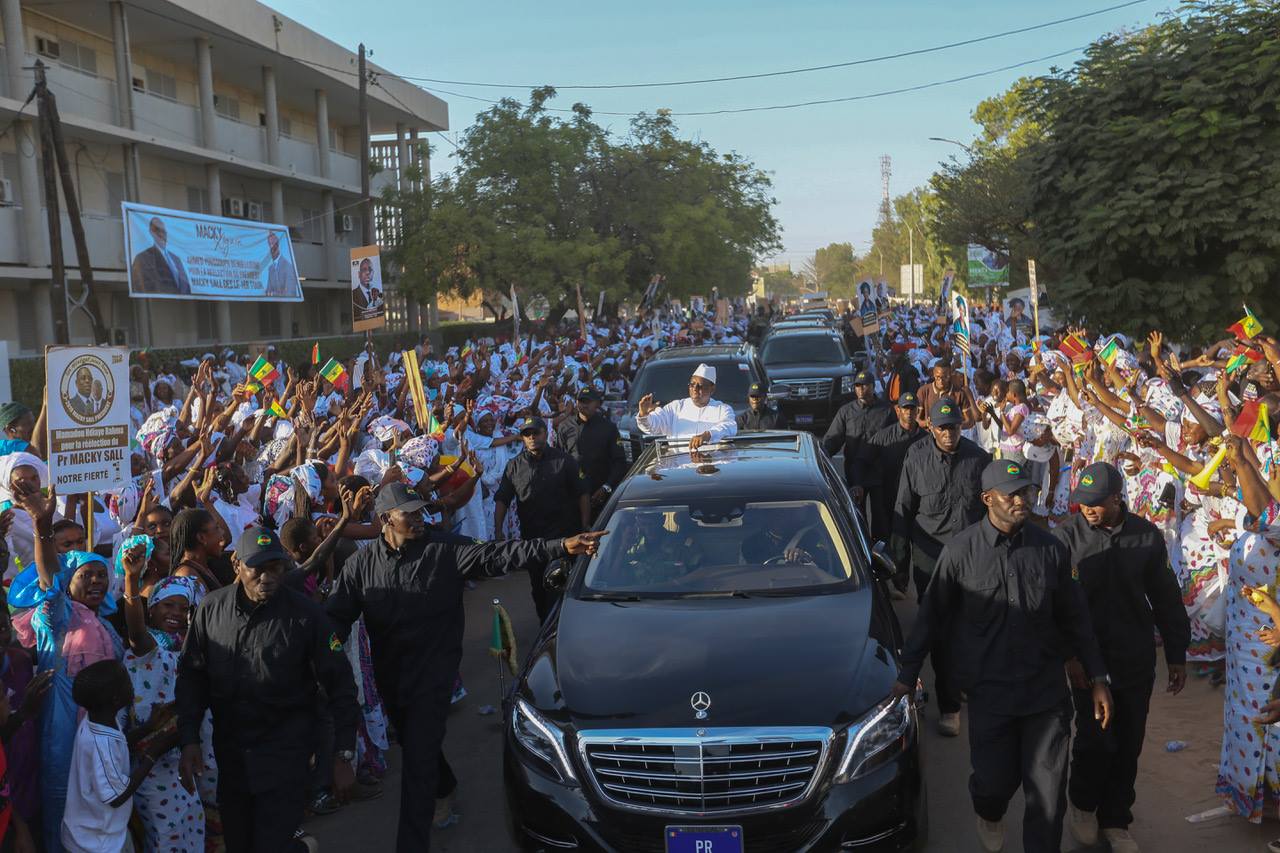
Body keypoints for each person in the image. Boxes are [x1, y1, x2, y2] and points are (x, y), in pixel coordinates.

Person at [325, 483, 605, 852]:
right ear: (385, 519)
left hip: (436, 672)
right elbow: (334, 620)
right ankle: (444, 787)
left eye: (420, 510)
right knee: (414, 743)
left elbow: (502, 554)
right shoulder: (360, 565)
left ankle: (411, 842)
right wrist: (324, 652)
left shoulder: (446, 550)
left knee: (418, 761)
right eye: (408, 512)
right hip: (391, 676)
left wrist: (560, 545)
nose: (418, 518)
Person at [892, 459, 1114, 853]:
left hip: (1045, 695)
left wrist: (1098, 677)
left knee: (1046, 795)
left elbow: (1075, 618)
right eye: (1011, 493)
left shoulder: (1049, 550)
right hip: (989, 692)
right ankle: (988, 810)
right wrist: (907, 676)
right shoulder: (961, 552)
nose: (1020, 500)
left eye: (1025, 491)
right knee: (994, 782)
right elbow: (931, 618)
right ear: (987, 498)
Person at [175, 526, 360, 853]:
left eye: (275, 567)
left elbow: (341, 685)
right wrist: (189, 737)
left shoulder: (306, 615)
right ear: (237, 565)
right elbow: (192, 677)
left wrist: (343, 753)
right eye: (257, 568)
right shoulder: (210, 610)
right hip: (231, 759)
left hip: (285, 757)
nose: (267, 576)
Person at [1052, 462, 1190, 853]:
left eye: (1097, 503)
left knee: (1128, 741)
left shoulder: (1146, 537)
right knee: (1095, 741)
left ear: (1118, 498)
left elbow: (1165, 597)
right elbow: (1055, 607)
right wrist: (1069, 656)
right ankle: (1082, 804)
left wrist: (1177, 654)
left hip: (1133, 658)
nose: (1090, 510)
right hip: (1087, 661)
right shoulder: (1065, 539)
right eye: (1084, 503)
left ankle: (1116, 819)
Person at [891, 396, 991, 736]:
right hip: (930, 557)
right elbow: (903, 509)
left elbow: (995, 511)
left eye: (955, 427)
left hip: (971, 559)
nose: (950, 434)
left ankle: (961, 681)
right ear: (931, 428)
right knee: (942, 631)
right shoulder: (916, 457)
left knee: (970, 627)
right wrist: (899, 563)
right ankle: (950, 706)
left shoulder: (979, 460)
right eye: (943, 428)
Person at [494, 416, 590, 622]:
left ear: (545, 434)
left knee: (561, 586)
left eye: (535, 433)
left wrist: (585, 524)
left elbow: (582, 493)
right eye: (527, 434)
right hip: (533, 541)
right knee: (539, 590)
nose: (532, 437)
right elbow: (502, 498)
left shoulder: (564, 461)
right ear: (522, 439)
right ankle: (545, 631)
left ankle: (563, 628)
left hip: (565, 538)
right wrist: (498, 530)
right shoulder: (514, 466)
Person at [61, 659, 162, 853]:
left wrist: (148, 728)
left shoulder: (100, 717)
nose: (131, 682)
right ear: (115, 699)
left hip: (98, 834)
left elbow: (120, 741)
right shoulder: (101, 744)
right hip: (96, 843)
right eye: (126, 680)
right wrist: (153, 754)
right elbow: (117, 796)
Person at [866, 389, 925, 589]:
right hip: (889, 500)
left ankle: (908, 584)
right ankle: (890, 582)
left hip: (919, 502)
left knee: (917, 545)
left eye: (912, 408)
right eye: (905, 408)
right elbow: (863, 461)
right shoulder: (883, 437)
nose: (909, 412)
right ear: (897, 410)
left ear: (919, 410)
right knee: (891, 542)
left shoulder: (927, 440)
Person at [822, 370, 894, 510]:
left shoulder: (886, 410)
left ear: (873, 386)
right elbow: (834, 438)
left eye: (864, 385)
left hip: (879, 473)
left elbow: (895, 440)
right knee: (857, 516)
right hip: (855, 474)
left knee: (881, 518)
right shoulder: (846, 411)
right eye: (857, 386)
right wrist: (822, 454)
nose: (860, 389)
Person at [555, 387, 626, 519]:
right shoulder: (564, 427)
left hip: (601, 495)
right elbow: (559, 461)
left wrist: (606, 487)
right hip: (573, 495)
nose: (584, 404)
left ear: (597, 404)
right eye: (581, 401)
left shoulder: (608, 428)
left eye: (588, 401)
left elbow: (620, 462)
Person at [635, 363, 737, 449]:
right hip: (680, 466)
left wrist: (707, 435)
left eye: (700, 386)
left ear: (712, 389)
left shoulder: (722, 409)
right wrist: (644, 414)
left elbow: (729, 427)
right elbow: (653, 426)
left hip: (710, 466)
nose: (695, 389)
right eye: (692, 384)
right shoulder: (675, 408)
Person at [131, 216, 191, 295]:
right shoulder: (142, 258)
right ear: (151, 232)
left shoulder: (176, 259)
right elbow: (140, 286)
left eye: (164, 231)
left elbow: (186, 285)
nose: (161, 234)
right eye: (157, 230)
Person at [263, 231, 298, 298]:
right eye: (269, 244)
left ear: (278, 244)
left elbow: (289, 294)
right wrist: (277, 293)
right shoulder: (271, 268)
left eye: (273, 243)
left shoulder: (288, 266)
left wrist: (272, 294)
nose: (271, 247)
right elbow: (267, 291)